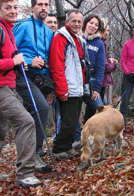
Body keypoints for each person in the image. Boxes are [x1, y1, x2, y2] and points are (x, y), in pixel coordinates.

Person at [0, 0, 42, 188]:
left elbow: (6, 58)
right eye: (8, 8)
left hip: (4, 86)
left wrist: (17, 64)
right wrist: (11, 62)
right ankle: (25, 174)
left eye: (15, 7)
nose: (13, 11)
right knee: (26, 121)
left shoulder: (9, 29)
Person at [12, 0, 53, 173]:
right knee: (41, 108)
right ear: (32, 7)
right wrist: (28, 61)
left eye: (46, 5)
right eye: (40, 4)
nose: (43, 8)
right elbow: (10, 50)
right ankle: (35, 152)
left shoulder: (47, 31)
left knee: (31, 116)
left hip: (41, 79)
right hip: (23, 75)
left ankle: (27, 153)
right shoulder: (24, 26)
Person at [49, 9, 89, 160]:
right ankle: (59, 149)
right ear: (67, 22)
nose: (77, 24)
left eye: (79, 21)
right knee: (67, 121)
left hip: (77, 87)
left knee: (73, 121)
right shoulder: (61, 38)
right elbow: (57, 65)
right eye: (74, 21)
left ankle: (67, 147)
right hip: (67, 87)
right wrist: (62, 89)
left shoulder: (77, 39)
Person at [82, 14, 105, 122]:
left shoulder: (99, 43)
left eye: (96, 25)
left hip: (91, 82)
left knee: (101, 112)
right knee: (71, 114)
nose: (93, 26)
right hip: (76, 80)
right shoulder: (77, 38)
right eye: (91, 23)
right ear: (85, 23)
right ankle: (77, 137)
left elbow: (101, 67)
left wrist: (96, 88)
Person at [100, 20, 118, 104]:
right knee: (98, 110)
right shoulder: (100, 44)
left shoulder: (103, 44)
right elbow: (105, 67)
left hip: (101, 83)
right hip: (98, 84)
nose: (106, 33)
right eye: (104, 30)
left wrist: (108, 59)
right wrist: (114, 64)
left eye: (108, 30)